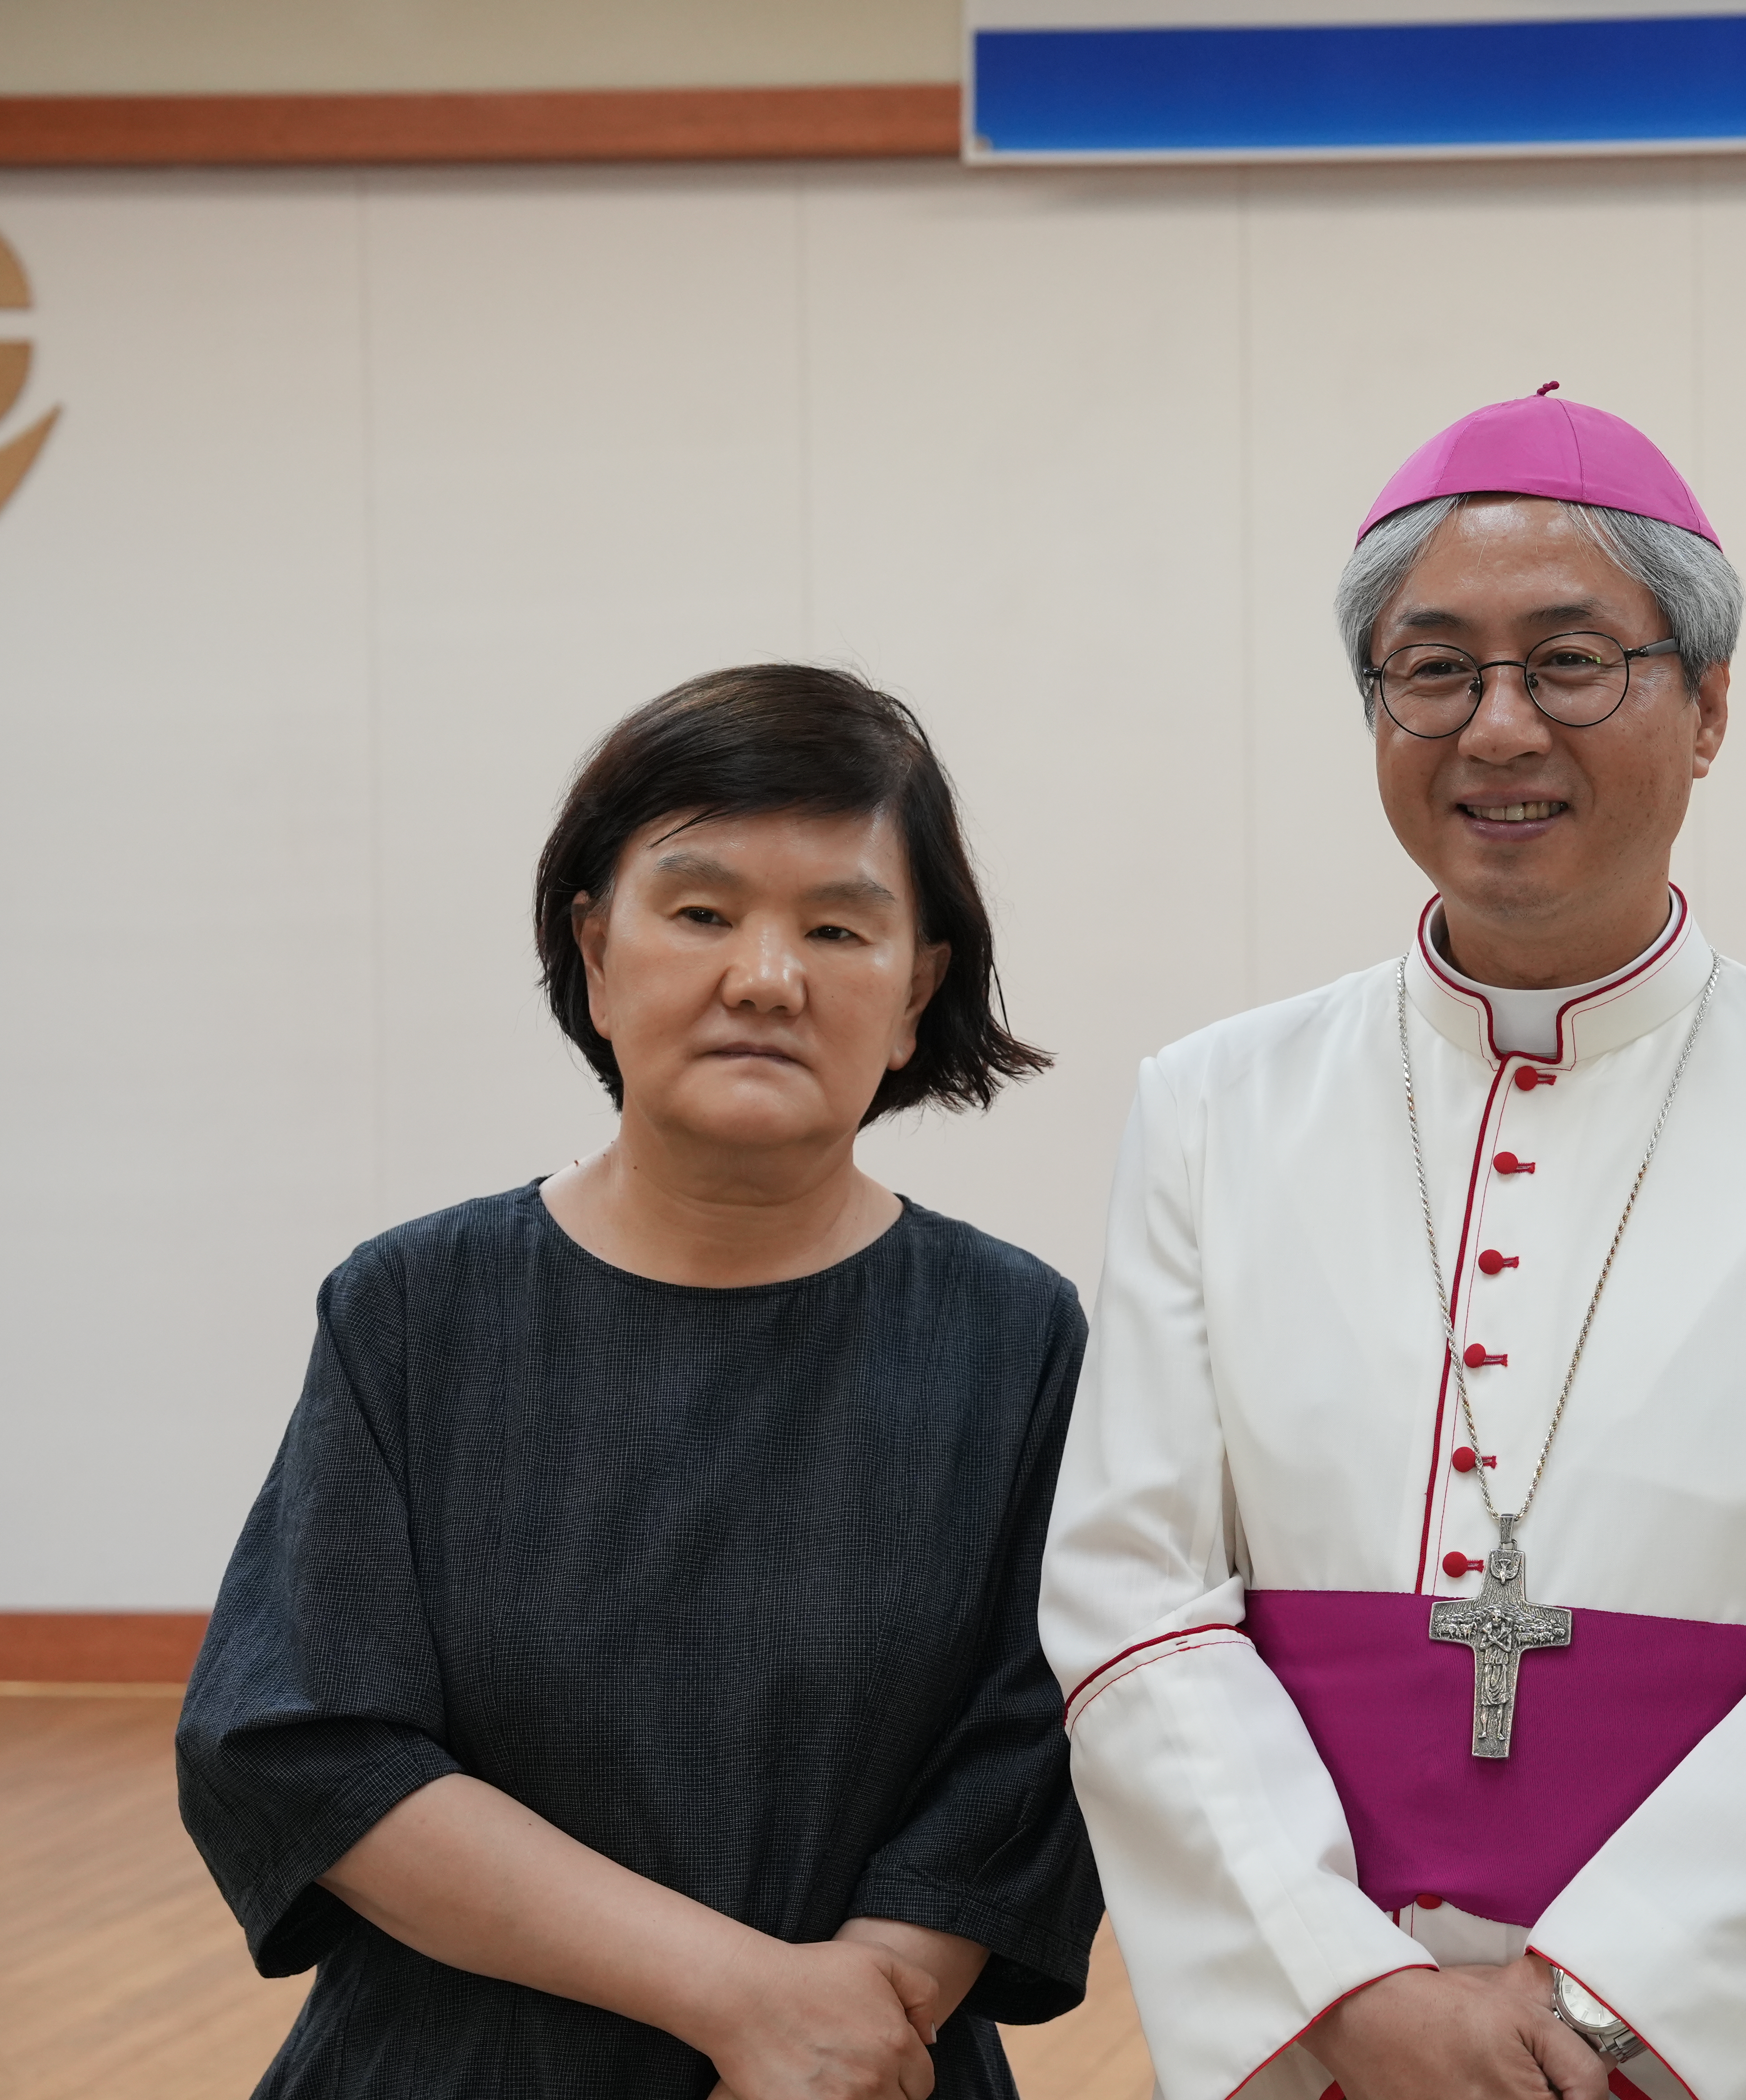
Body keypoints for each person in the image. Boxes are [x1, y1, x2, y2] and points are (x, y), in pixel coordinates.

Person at [1040, 385, 1746, 2100]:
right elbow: (1132, 1591)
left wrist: (1596, 2011)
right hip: (1333, 2024)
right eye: (1433, 671)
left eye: (1574, 662)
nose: (1499, 726)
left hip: (1736, 2026)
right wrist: (1348, 1985)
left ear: (1711, 705)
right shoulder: (1215, 1102)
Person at [177, 665, 1102, 2100]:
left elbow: (1033, 1750)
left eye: (841, 926)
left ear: (918, 990)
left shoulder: (1016, 1335)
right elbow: (309, 1741)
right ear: (596, 952)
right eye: (702, 911)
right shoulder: (415, 1310)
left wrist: (842, 2031)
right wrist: (747, 2002)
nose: (766, 975)